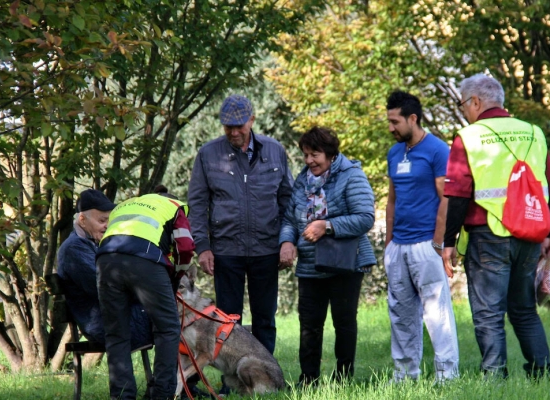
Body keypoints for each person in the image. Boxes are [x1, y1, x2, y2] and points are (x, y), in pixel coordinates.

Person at [442, 73, 550, 379]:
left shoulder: (469, 137)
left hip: (488, 235)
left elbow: (456, 195)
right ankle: (542, 374)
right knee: (524, 310)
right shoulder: (533, 133)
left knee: (488, 313)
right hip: (530, 235)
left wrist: (448, 243)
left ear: (476, 102)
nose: (463, 111)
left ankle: (494, 380)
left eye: (462, 104)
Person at [188, 94, 293, 355]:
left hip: (267, 250)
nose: (234, 132)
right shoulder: (208, 154)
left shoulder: (275, 150)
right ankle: (230, 382)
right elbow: (197, 204)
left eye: (239, 126)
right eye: (228, 126)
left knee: (265, 320)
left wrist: (288, 240)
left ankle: (267, 378)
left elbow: (288, 201)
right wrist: (202, 247)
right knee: (227, 320)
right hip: (226, 252)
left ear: (252, 120)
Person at [278, 126, 376, 386]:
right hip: (310, 264)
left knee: (344, 322)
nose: (310, 161)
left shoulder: (352, 175)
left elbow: (365, 217)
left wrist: (327, 226)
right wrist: (287, 241)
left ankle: (344, 380)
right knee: (309, 324)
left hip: (345, 262)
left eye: (315, 154)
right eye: (306, 155)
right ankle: (308, 380)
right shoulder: (302, 180)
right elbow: (290, 218)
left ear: (331, 154)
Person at [384, 91, 460, 382]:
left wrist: (439, 244)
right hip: (399, 247)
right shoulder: (394, 153)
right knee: (401, 315)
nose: (391, 127)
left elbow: (446, 199)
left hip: (426, 246)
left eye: (395, 121)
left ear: (412, 118)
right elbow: (391, 200)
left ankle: (447, 376)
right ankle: (404, 376)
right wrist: (389, 245)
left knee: (437, 314)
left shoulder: (438, 150)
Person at [96, 193, 195, 400]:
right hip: (146, 261)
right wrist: (176, 276)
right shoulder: (175, 206)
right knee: (168, 328)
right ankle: (162, 394)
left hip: (105, 261)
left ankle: (122, 396)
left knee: (116, 333)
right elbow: (185, 247)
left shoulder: (125, 206)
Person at [57, 189, 151, 349]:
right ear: (82, 219)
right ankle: (179, 374)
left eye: (110, 220)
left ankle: (182, 373)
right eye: (102, 220)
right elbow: (105, 287)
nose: (107, 225)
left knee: (175, 315)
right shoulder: (74, 249)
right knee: (170, 320)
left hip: (118, 315)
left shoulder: (93, 243)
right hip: (106, 323)